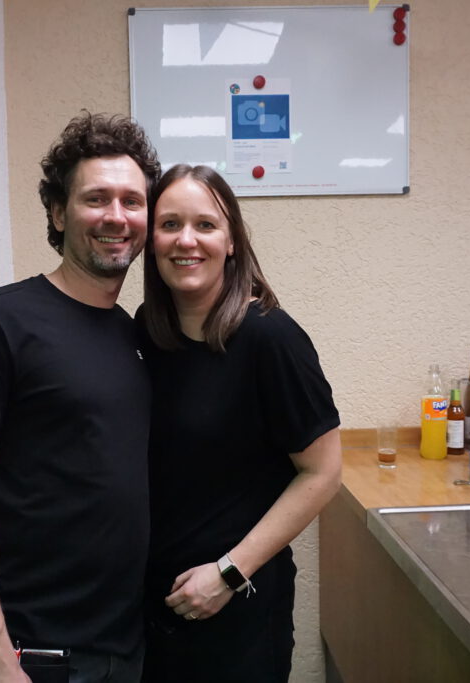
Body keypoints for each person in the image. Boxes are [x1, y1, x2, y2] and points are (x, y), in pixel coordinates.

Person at [0, 112, 161, 683]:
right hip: (32, 654)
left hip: (122, 648)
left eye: (132, 201)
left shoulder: (133, 334)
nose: (116, 216)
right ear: (58, 212)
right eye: (96, 198)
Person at [138, 165, 343, 683]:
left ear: (231, 242)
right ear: (150, 240)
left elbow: (323, 473)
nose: (186, 240)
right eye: (170, 224)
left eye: (205, 225)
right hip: (152, 606)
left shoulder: (270, 338)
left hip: (236, 607)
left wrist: (228, 573)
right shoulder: (146, 332)